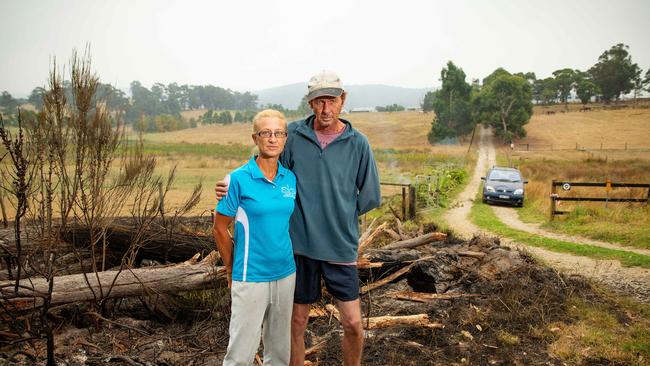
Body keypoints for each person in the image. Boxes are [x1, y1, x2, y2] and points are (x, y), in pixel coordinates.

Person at [216, 71, 381, 366]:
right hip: (299, 249)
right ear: (311, 104)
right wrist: (231, 182)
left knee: (354, 324)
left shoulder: (359, 144)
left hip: (339, 247)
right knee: (295, 324)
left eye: (331, 100)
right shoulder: (294, 136)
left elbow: (368, 197)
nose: (325, 108)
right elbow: (266, 163)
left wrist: (337, 213)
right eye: (319, 101)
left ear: (343, 100)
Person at [212, 109, 297, 366]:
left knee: (280, 352)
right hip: (250, 276)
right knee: (240, 354)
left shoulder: (289, 179)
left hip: (285, 273)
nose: (273, 139)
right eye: (266, 133)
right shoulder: (236, 180)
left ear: (285, 138)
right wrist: (230, 268)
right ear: (255, 138)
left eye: (278, 133)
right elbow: (219, 228)